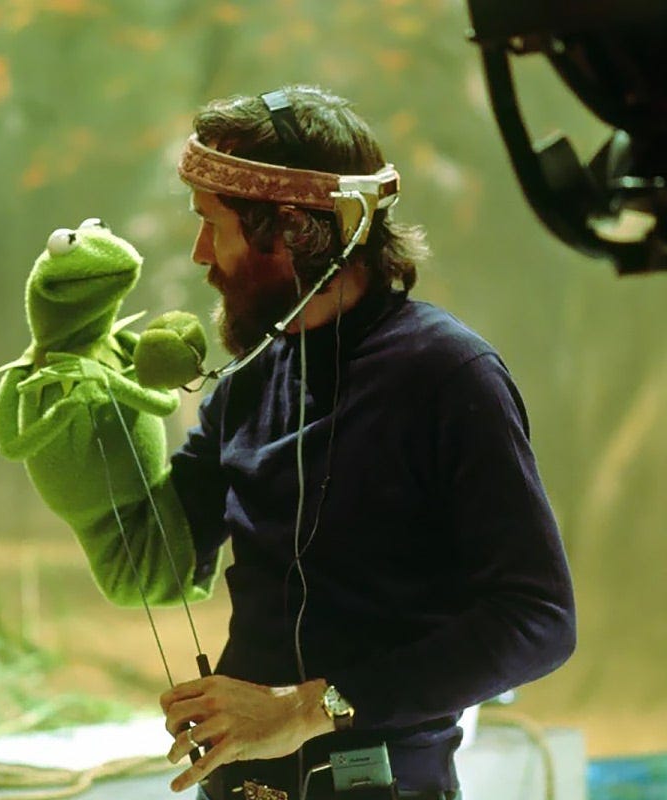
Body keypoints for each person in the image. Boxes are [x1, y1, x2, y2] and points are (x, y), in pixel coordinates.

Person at [150, 85, 577, 800]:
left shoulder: (449, 374)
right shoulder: (250, 378)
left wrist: (305, 710)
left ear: (290, 233)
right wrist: (81, 415)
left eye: (211, 225)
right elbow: (161, 550)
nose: (201, 255)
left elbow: (538, 620)